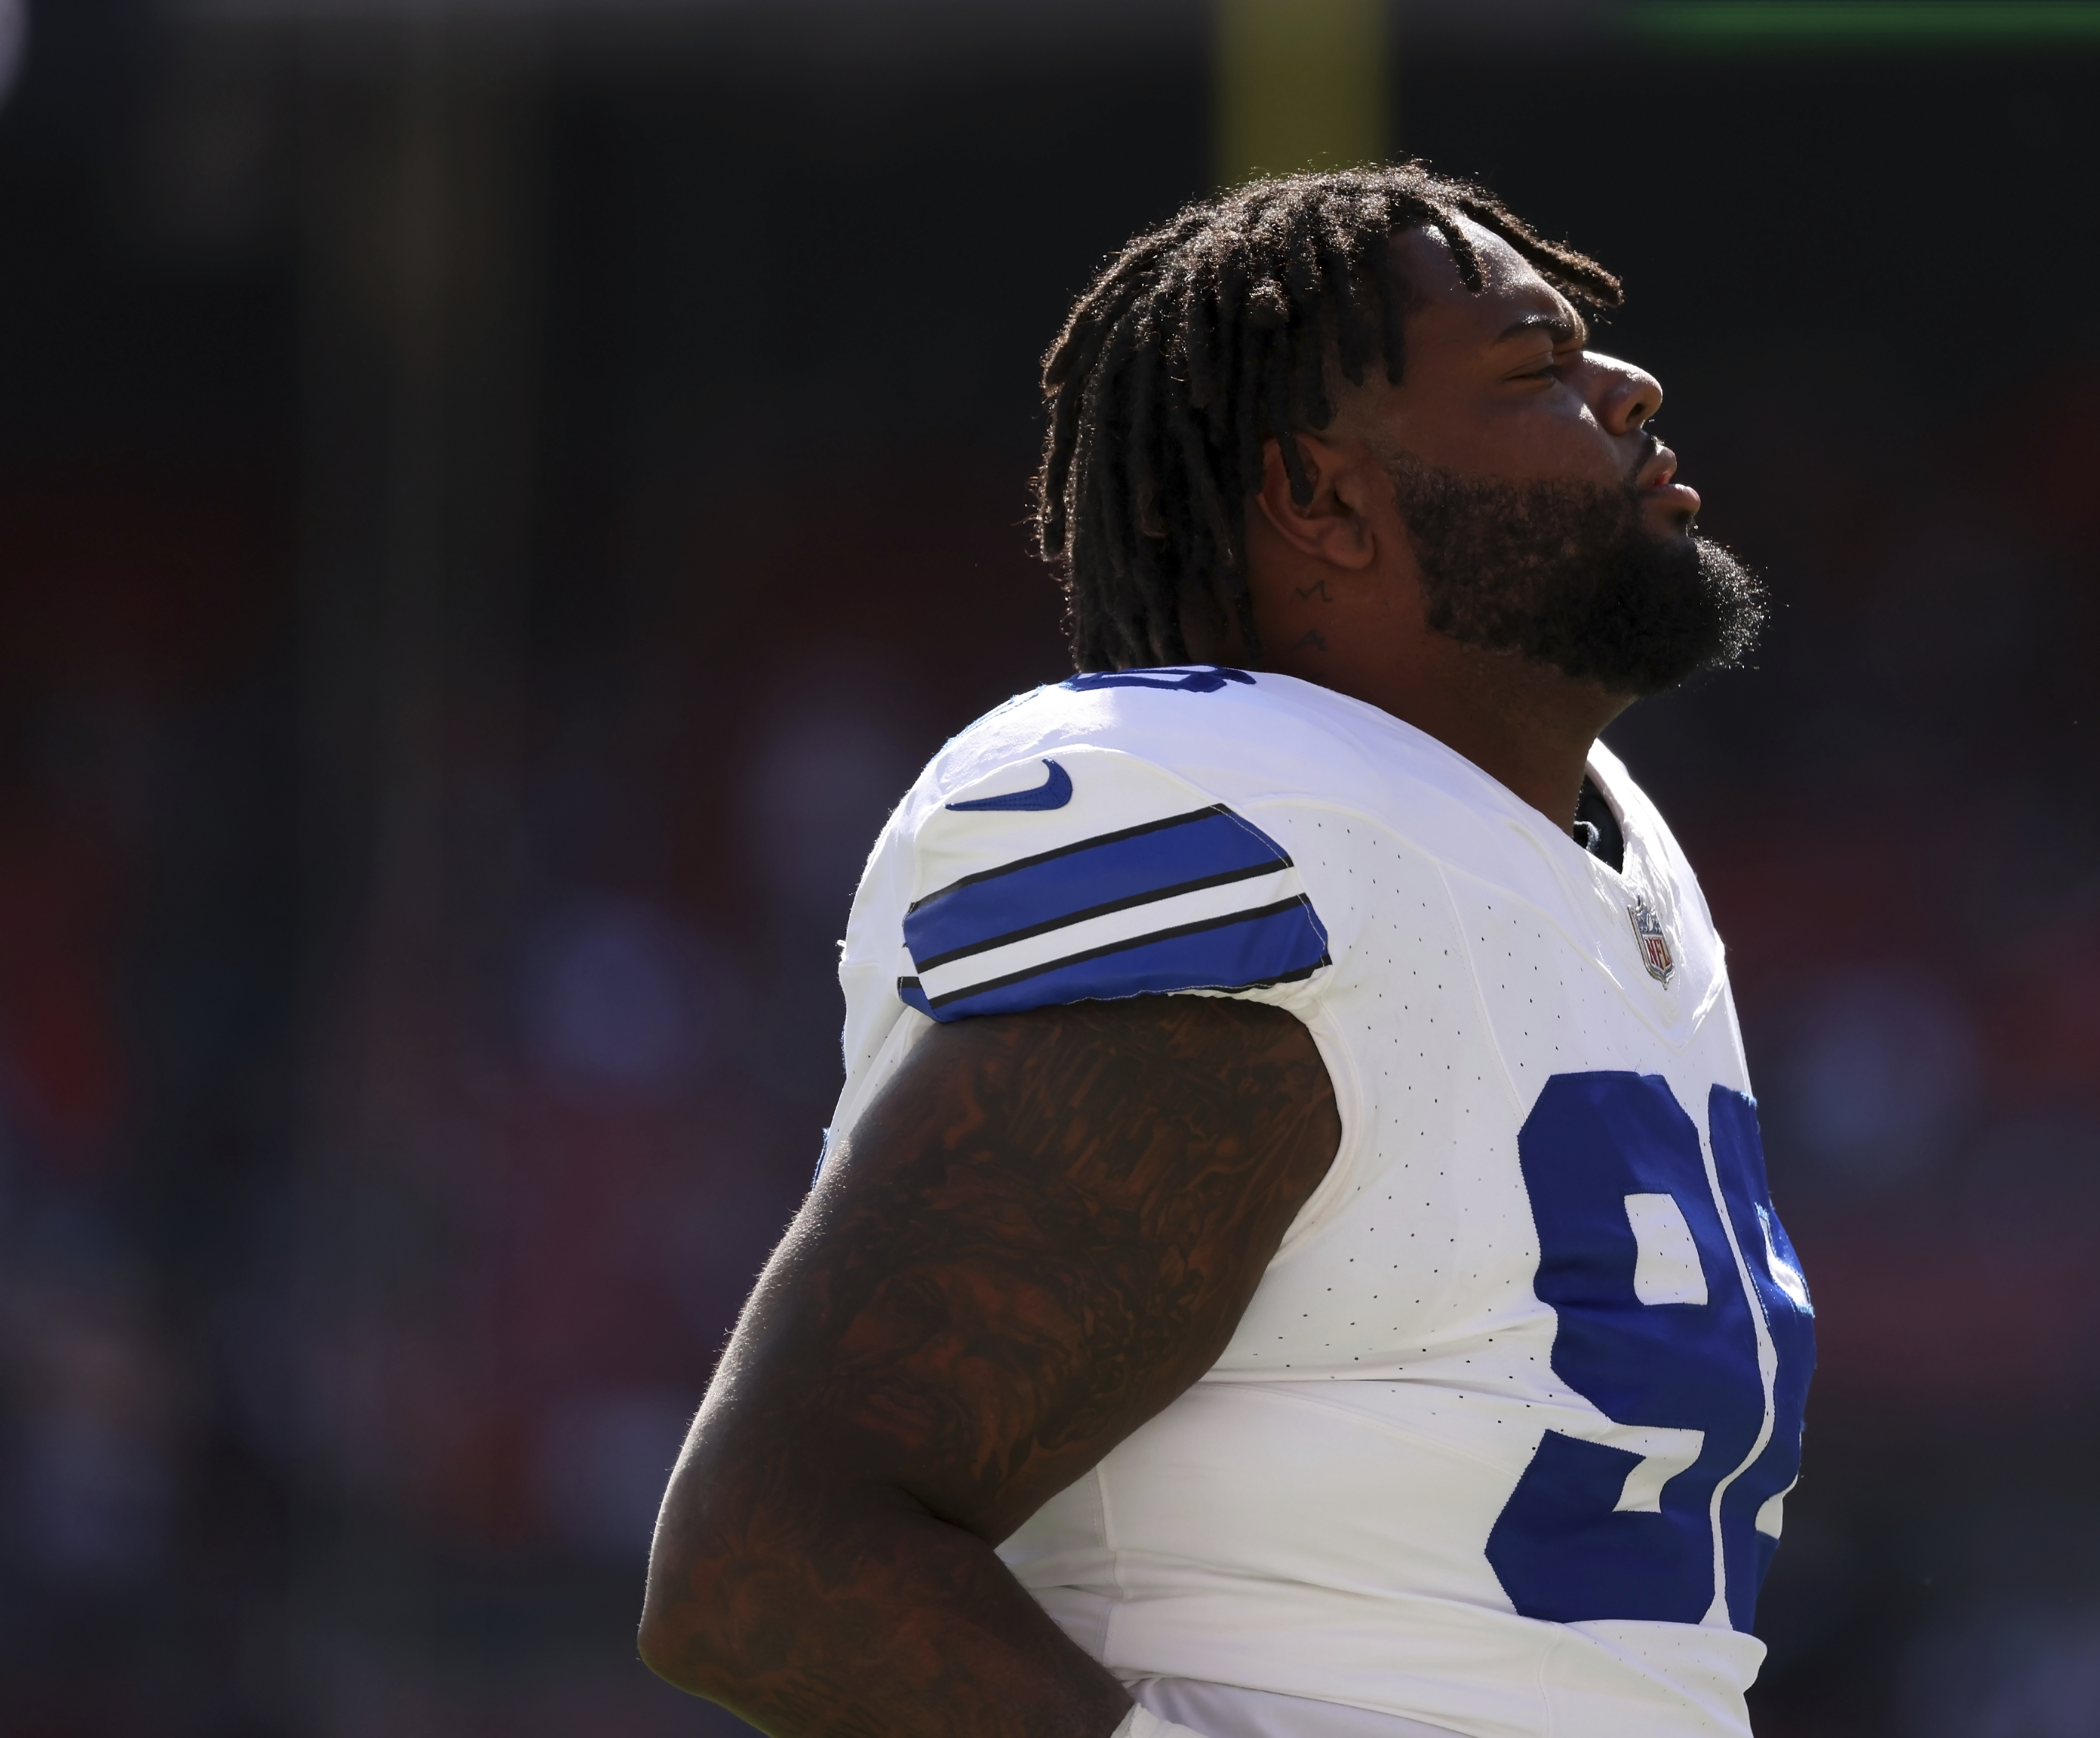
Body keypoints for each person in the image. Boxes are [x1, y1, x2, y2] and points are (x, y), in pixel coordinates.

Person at [638, 165, 1814, 1738]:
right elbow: (768, 1567)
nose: (1627, 385)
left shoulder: (1605, 858)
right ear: (1320, 499)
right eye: (1535, 368)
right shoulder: (1243, 823)